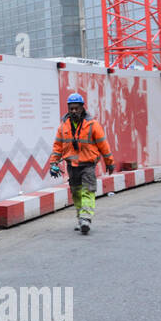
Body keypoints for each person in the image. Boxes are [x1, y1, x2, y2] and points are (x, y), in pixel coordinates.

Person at [48, 92, 114, 235]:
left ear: (82, 107)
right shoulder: (63, 126)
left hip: (88, 165)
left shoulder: (92, 125)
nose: (73, 111)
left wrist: (109, 163)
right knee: (76, 193)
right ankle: (81, 219)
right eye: (71, 108)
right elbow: (57, 146)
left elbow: (103, 145)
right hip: (72, 166)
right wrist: (53, 163)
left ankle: (86, 218)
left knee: (88, 191)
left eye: (76, 108)